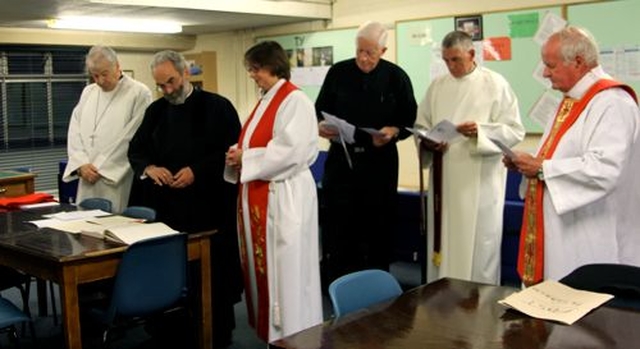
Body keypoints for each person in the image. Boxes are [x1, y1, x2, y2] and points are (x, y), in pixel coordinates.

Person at [505, 26, 640, 286]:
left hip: (592, 231)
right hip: (564, 229)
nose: (544, 73)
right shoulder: (573, 100)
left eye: (550, 65)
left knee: (585, 312)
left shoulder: (612, 102)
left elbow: (604, 169)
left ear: (578, 62)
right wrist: (527, 163)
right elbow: (555, 155)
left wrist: (542, 168)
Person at [127, 50, 243, 347]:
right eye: (161, 85)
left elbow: (231, 153)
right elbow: (136, 150)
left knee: (210, 277)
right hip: (167, 210)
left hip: (208, 209)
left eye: (171, 82)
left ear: (186, 74)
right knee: (168, 274)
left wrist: (197, 171)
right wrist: (150, 169)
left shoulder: (217, 107)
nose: (167, 90)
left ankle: (214, 332)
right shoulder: (155, 111)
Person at [224, 40, 322, 343]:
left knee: (288, 271)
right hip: (266, 191)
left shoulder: (295, 101)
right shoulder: (268, 98)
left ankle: (293, 331)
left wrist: (247, 158)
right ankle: (275, 331)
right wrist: (239, 153)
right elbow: (259, 142)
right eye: (250, 70)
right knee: (272, 272)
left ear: (272, 66)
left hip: (285, 196)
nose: (252, 75)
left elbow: (290, 151)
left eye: (255, 69)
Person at [415, 30, 525, 285]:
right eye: (446, 60)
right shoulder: (437, 87)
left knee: (479, 251)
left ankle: (480, 309)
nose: (450, 66)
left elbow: (514, 130)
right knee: (443, 246)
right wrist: (429, 142)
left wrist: (481, 132)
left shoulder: (495, 84)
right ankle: (440, 305)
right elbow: (421, 126)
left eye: (455, 59)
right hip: (444, 182)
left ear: (472, 54)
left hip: (480, 182)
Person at [315, 21, 417, 285]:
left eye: (370, 52)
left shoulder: (396, 77)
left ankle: (377, 284)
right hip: (342, 159)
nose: (363, 57)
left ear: (383, 50)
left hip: (379, 163)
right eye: (360, 50)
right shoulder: (338, 72)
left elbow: (409, 120)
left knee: (377, 225)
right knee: (339, 225)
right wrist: (321, 127)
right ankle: (337, 284)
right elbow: (320, 109)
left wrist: (393, 131)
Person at [63, 45, 152, 213]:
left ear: (117, 67)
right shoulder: (88, 92)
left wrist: (100, 168)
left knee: (113, 228)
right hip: (86, 175)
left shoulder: (139, 92)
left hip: (114, 177)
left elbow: (132, 136)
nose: (100, 81)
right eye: (95, 75)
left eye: (104, 74)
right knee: (85, 227)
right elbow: (75, 130)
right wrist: (81, 164)